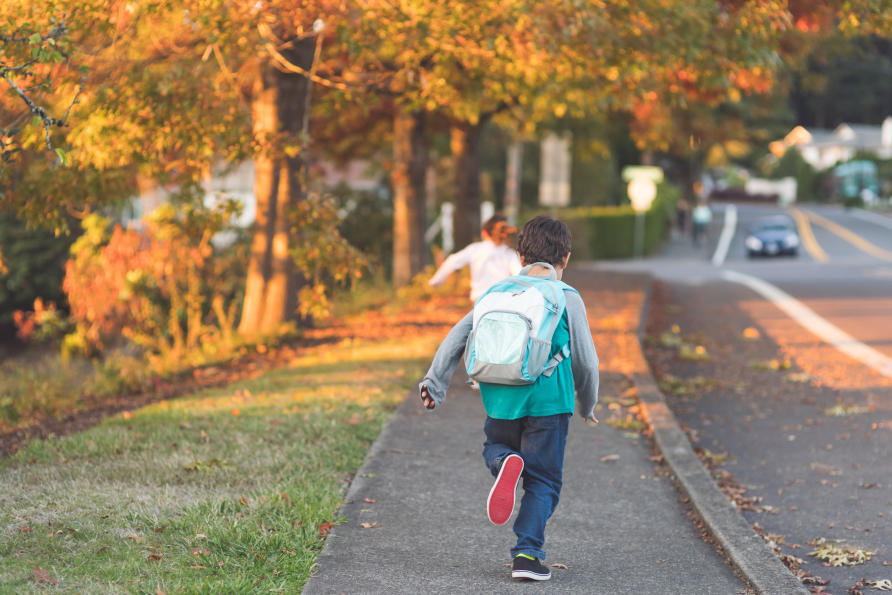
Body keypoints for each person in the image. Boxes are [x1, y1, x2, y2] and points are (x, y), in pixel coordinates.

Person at [418, 215, 599, 582]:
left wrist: (434, 382)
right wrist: (588, 403)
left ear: (520, 256)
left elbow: (457, 336)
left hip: (498, 397)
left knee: (496, 447)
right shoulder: (566, 297)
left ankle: (503, 462)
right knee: (543, 481)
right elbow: (587, 361)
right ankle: (527, 556)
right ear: (565, 258)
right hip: (549, 404)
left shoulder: (496, 293)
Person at [428, 215, 522, 302]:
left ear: (484, 233)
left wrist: (436, 282)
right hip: (502, 299)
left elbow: (452, 261)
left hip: (479, 299)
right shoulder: (509, 253)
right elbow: (519, 274)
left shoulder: (475, 249)